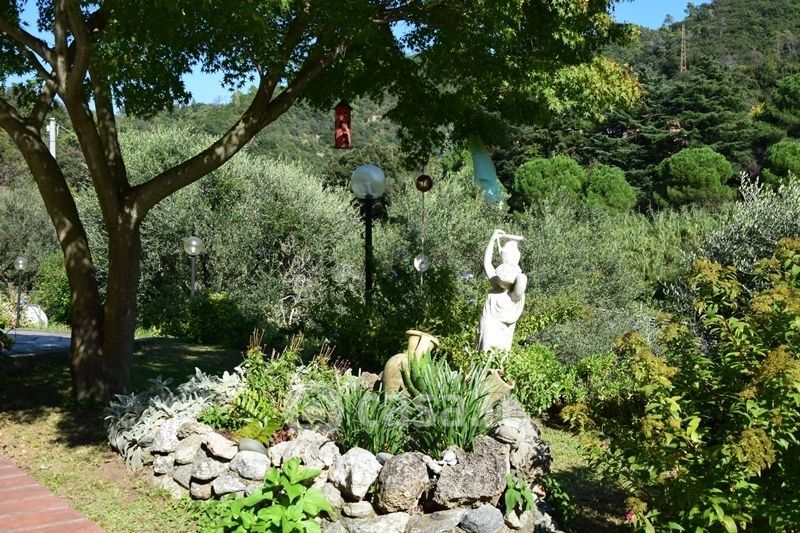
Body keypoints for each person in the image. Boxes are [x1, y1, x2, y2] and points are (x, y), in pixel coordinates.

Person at [477, 229, 527, 351]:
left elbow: (522, 280)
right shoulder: (496, 285)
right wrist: (492, 241)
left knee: (499, 355)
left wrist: (514, 271)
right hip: (488, 323)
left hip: (503, 331)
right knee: (485, 350)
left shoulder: (514, 295)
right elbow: (487, 263)